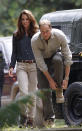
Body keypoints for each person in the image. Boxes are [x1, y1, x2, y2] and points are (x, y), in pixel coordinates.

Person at [31, 19, 73, 123]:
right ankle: (49, 118)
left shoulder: (60, 36)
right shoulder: (34, 40)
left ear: (51, 28)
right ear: (39, 31)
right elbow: (40, 63)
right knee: (44, 90)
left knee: (58, 59)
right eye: (42, 32)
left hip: (55, 56)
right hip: (42, 63)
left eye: (47, 31)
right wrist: (50, 80)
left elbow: (67, 57)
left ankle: (59, 90)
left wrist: (66, 78)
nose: (45, 34)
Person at [9, 9, 38, 127]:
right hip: (20, 65)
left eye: (27, 19)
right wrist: (11, 66)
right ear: (20, 21)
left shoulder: (36, 33)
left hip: (33, 66)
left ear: (31, 20)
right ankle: (23, 117)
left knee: (32, 94)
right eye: (23, 19)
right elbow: (14, 52)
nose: (25, 21)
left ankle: (31, 119)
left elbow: (40, 50)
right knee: (23, 92)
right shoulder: (16, 34)